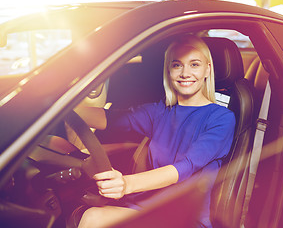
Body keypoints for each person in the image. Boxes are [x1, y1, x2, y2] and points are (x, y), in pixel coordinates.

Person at [77, 34, 235, 228]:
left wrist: (126, 184)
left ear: (207, 70)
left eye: (194, 64)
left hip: (184, 218)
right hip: (144, 208)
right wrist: (61, 110)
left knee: (94, 219)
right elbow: (111, 118)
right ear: (168, 70)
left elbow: (185, 167)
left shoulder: (221, 118)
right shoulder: (160, 111)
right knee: (88, 214)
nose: (185, 73)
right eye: (177, 65)